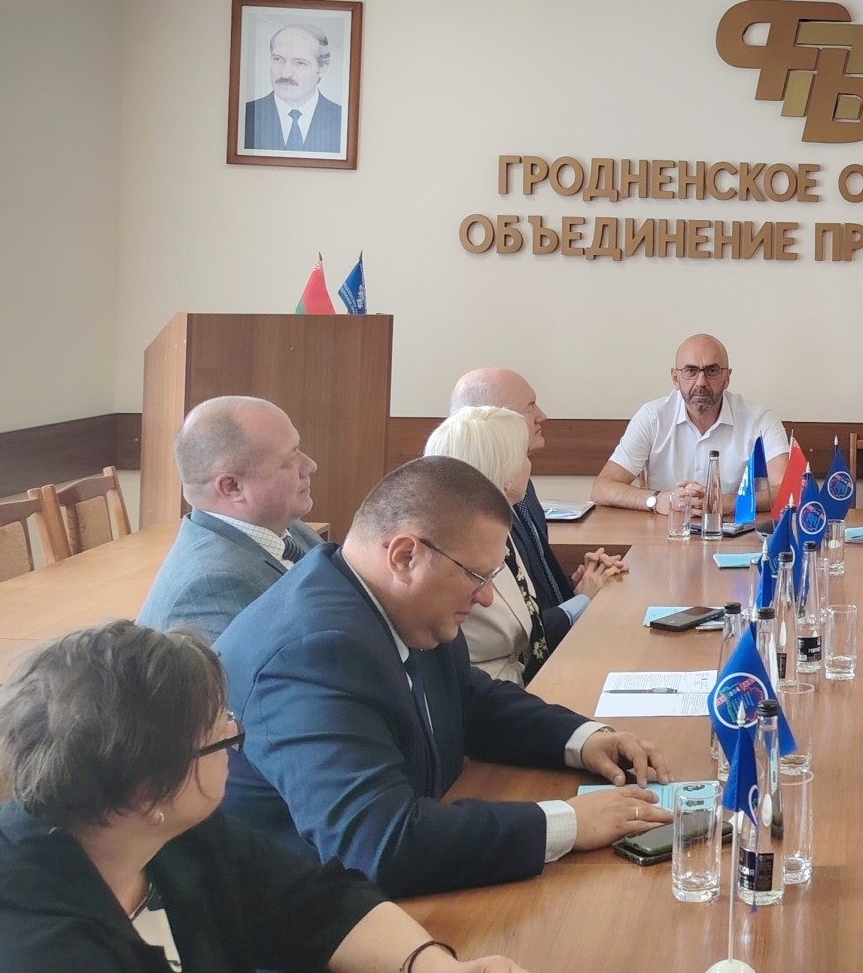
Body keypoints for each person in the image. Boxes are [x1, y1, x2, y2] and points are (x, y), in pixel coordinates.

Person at [0, 621, 549, 973]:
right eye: (218, 732)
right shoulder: (31, 942)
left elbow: (317, 905)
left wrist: (438, 970)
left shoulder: (171, 830)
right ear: (151, 789)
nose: (234, 732)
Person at [214, 456, 673, 898]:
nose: (487, 598)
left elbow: (471, 700)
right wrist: (569, 823)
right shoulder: (312, 652)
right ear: (405, 556)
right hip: (307, 926)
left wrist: (584, 739)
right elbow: (381, 844)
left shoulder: (392, 601)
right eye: (477, 576)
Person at [425, 406, 617, 682]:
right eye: (524, 455)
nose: (529, 465)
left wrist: (578, 586)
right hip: (499, 689)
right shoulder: (463, 549)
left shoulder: (500, 521)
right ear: (506, 477)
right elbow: (524, 633)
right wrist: (583, 599)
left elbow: (527, 608)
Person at [448, 367, 627, 649]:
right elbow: (516, 632)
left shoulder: (520, 488)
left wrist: (578, 584)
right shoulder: (477, 521)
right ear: (495, 421)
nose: (542, 416)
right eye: (530, 408)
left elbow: (533, 582)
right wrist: (583, 600)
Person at [137, 396, 322, 642]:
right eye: (288, 461)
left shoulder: (286, 527)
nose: (310, 465)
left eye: (298, 448)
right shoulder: (211, 586)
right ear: (232, 487)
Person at [591, 333, 787, 516]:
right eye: (691, 371)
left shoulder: (760, 419)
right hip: (665, 533)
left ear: (727, 378)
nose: (701, 382)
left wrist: (730, 503)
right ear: (675, 378)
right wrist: (658, 500)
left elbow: (788, 490)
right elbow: (602, 488)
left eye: (712, 371)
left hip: (736, 535)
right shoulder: (652, 417)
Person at [242, 24, 343, 153]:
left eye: (300, 63)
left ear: (322, 69)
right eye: (278, 59)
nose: (285, 73)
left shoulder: (342, 119)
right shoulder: (245, 115)